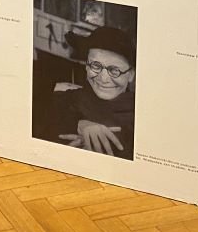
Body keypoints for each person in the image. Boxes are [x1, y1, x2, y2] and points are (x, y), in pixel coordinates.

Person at [48, 26, 136, 159]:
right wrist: (78, 124)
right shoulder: (69, 99)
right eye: (96, 65)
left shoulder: (140, 117)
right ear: (86, 66)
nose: (103, 78)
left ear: (131, 75)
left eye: (114, 70)